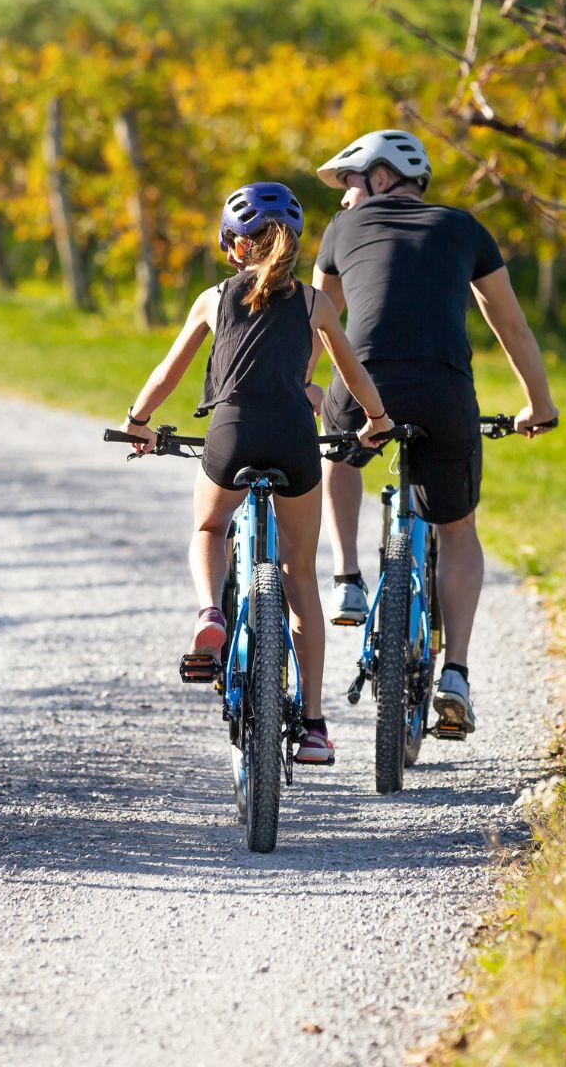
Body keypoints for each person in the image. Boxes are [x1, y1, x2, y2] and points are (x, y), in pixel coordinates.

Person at [118, 181, 395, 766]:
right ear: (293, 245)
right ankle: (315, 726)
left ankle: (211, 612)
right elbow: (354, 374)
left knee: (209, 528)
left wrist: (138, 420)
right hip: (295, 436)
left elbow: (169, 373)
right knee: (300, 583)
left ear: (233, 246)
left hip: (232, 430)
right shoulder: (314, 303)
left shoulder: (212, 298)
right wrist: (376, 421)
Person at [309, 129, 559, 736]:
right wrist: (539, 404)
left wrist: (301, 387)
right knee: (458, 528)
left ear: (382, 177)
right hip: (445, 390)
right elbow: (511, 324)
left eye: (350, 184)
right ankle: (457, 675)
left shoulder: (341, 232)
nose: (345, 199)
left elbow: (316, 321)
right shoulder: (465, 228)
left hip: (364, 381)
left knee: (339, 452)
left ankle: (346, 579)